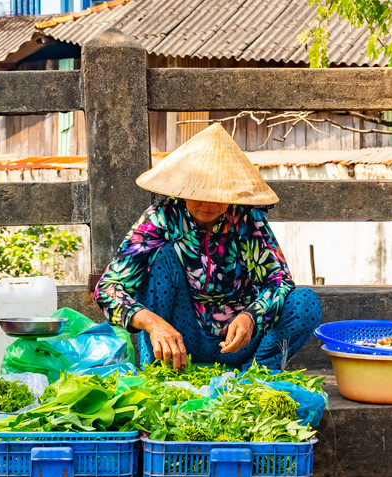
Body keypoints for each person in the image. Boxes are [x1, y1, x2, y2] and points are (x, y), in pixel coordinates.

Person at [94, 123, 322, 371]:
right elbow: (108, 288)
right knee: (161, 258)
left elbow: (279, 282)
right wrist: (153, 324)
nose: (209, 203)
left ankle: (255, 375)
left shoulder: (248, 219)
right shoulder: (162, 219)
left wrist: (251, 317)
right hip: (181, 338)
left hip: (239, 342)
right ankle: (160, 371)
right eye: (199, 192)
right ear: (182, 188)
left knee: (305, 302)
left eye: (218, 194)